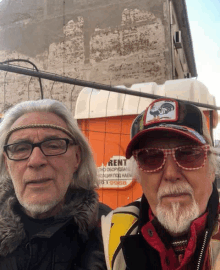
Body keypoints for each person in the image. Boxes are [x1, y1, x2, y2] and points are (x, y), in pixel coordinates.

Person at [102, 98, 220, 270]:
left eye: (188, 154)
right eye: (151, 157)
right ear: (139, 175)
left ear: (211, 170)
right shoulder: (108, 234)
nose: (171, 174)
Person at [0, 99, 110, 270]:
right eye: (21, 148)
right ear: (7, 163)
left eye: (53, 146)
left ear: (76, 158)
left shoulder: (113, 232)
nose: (36, 161)